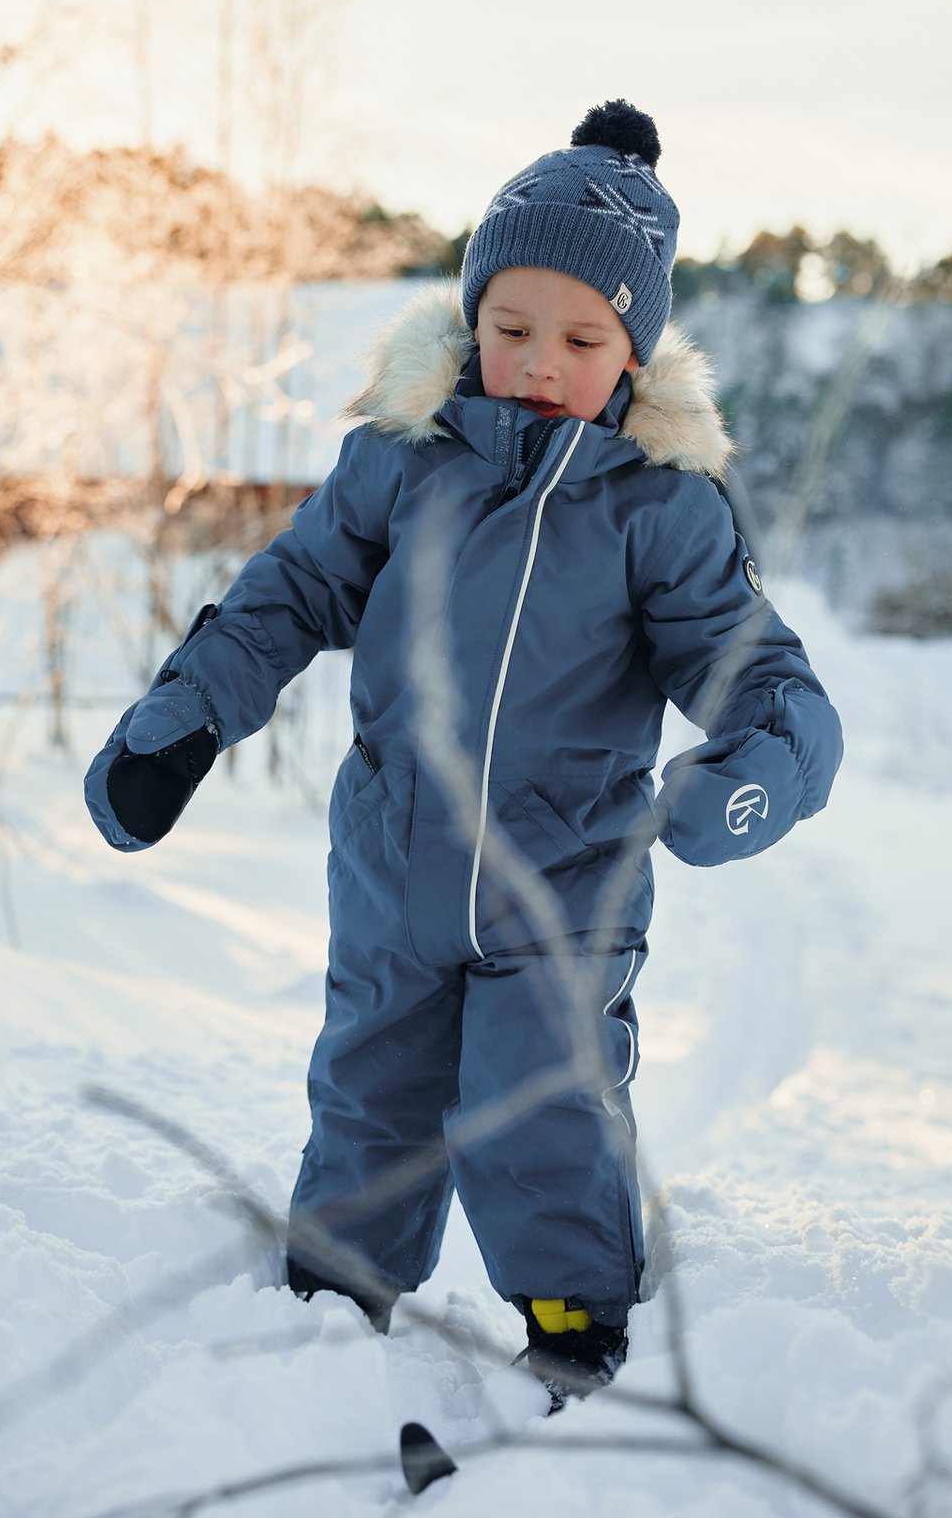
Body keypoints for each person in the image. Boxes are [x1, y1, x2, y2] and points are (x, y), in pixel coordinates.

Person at [84, 98, 843, 1408]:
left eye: (581, 337)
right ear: (470, 319)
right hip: (393, 854)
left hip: (566, 871)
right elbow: (288, 590)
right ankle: (337, 1298)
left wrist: (747, 778)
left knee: (543, 1096)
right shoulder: (403, 460)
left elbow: (763, 679)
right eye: (509, 328)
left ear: (636, 354)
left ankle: (573, 1317)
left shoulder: (659, 509)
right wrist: (183, 720)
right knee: (373, 1078)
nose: (540, 359)